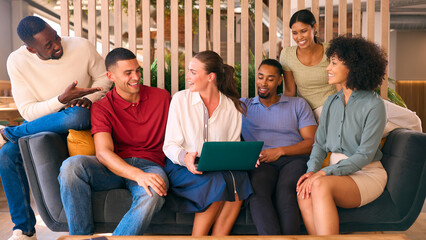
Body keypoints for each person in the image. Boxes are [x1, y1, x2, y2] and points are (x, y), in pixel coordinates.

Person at [1, 16, 111, 240]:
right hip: (45, 127)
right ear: (31, 49)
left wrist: (92, 98)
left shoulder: (81, 46)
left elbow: (105, 79)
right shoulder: (17, 61)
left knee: (77, 114)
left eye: (56, 38)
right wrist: (61, 100)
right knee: (6, 155)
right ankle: (24, 229)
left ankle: (7, 133)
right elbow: (28, 112)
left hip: (80, 118)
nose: (58, 46)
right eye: (48, 45)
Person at [58, 48, 170, 235]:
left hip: (150, 165)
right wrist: (136, 175)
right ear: (111, 76)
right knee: (71, 166)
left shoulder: (162, 98)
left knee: (154, 191)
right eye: (128, 73)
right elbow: (103, 153)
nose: (136, 77)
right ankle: (80, 238)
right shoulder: (102, 107)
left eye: (137, 70)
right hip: (112, 167)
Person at [296, 35, 388, 235]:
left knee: (319, 186)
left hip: (366, 173)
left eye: (334, 63)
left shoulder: (374, 105)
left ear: (354, 68)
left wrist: (324, 173)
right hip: (335, 174)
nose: (328, 68)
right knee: (304, 191)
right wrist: (311, 171)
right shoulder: (331, 102)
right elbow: (319, 144)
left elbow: (364, 155)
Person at [162, 50, 252, 236]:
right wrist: (185, 157)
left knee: (239, 180)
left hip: (216, 167)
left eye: (193, 72)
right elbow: (169, 145)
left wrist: (245, 157)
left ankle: (219, 238)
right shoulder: (180, 100)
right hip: (182, 166)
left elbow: (232, 146)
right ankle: (198, 238)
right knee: (217, 182)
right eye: (189, 71)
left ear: (210, 76)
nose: (188, 76)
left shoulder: (231, 107)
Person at [241, 59, 317, 235]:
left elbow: (311, 142)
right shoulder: (243, 106)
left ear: (279, 81)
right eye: (260, 77)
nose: (263, 83)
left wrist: (280, 151)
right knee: (256, 192)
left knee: (286, 191)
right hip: (262, 162)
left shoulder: (297, 104)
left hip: (293, 159)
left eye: (270, 78)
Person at [279, 9, 339, 119]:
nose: (299, 37)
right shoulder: (287, 55)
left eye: (303, 31)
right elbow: (290, 91)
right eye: (295, 33)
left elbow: (341, 84)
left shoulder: (331, 50)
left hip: (334, 107)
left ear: (314, 27)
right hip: (308, 112)